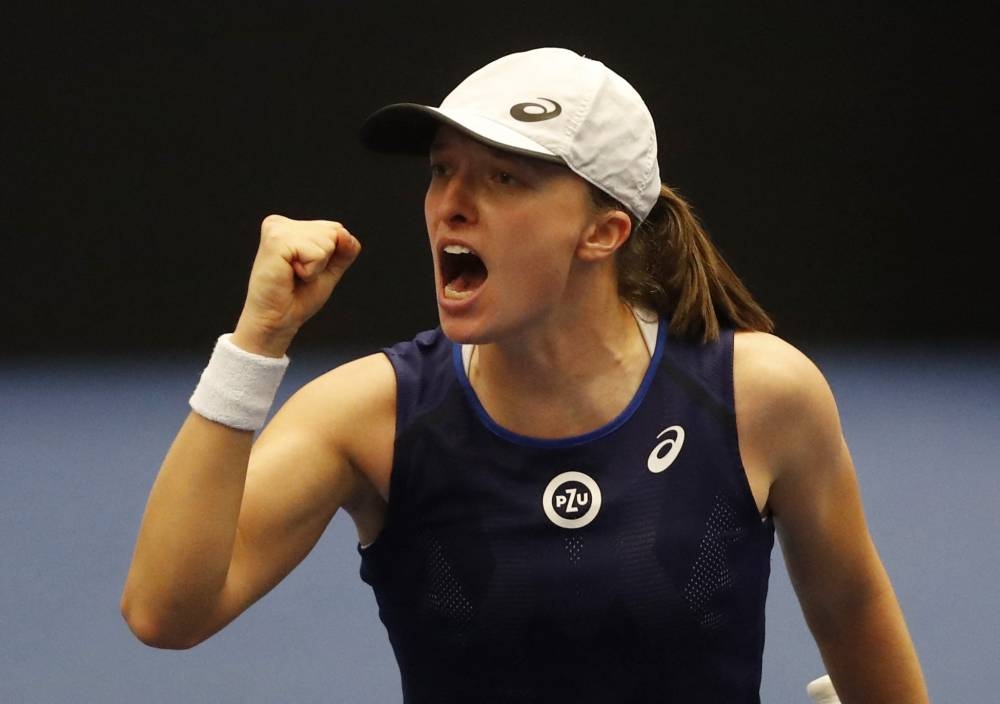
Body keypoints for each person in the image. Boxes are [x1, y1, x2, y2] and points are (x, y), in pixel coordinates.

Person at [120, 47, 929, 702]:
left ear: (604, 230)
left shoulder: (760, 394)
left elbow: (851, 608)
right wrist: (256, 342)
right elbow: (167, 612)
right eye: (443, 170)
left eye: (504, 177)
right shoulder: (369, 416)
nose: (452, 205)